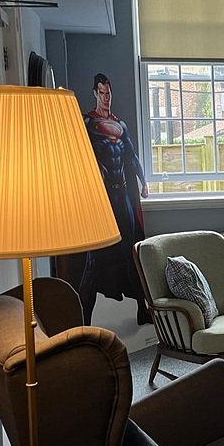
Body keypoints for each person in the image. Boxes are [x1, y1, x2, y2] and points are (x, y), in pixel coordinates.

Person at [78, 73, 151, 324]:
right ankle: (84, 322)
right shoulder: (86, 123)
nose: (106, 97)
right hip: (102, 199)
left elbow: (131, 156)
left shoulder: (121, 126)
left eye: (109, 93)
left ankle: (142, 310)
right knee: (94, 259)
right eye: (102, 93)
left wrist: (143, 182)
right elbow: (78, 158)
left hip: (123, 196)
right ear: (95, 93)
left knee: (133, 252)